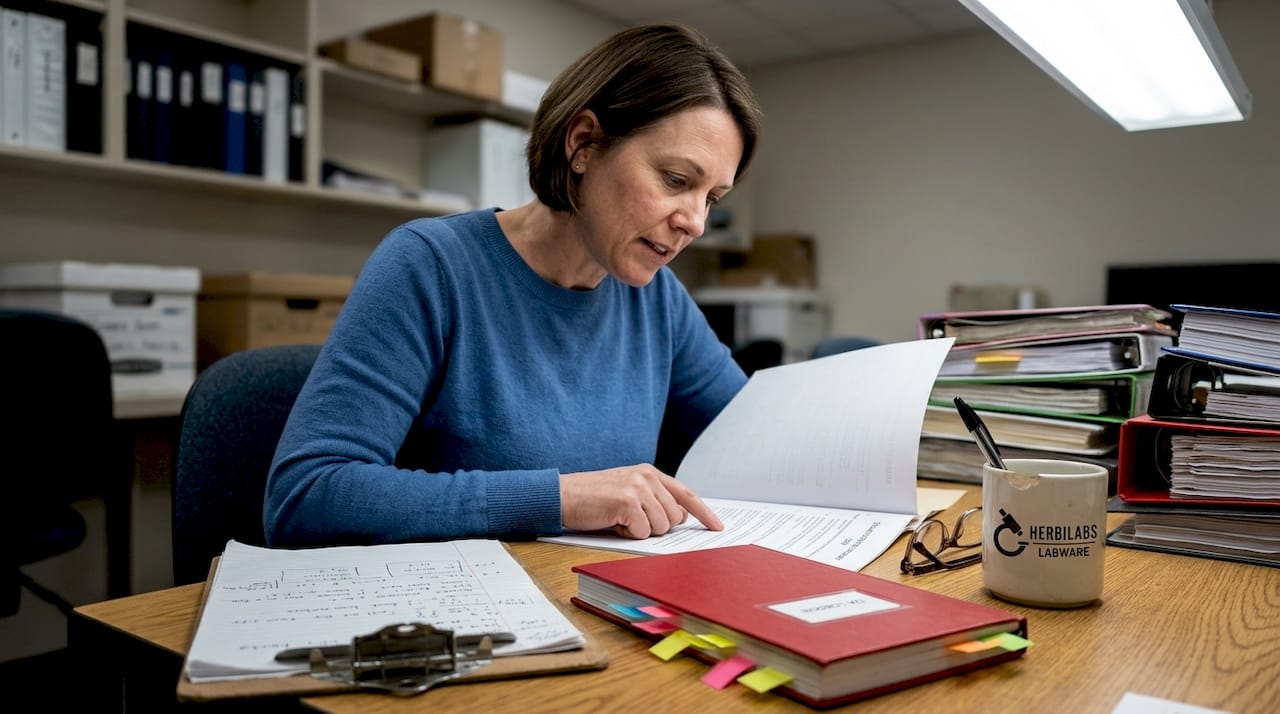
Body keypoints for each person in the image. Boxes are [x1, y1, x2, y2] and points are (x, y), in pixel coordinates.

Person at [263, 23, 763, 547]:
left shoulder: (656, 297)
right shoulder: (430, 266)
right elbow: (306, 495)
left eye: (712, 198)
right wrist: (562, 499)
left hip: (586, 597)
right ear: (584, 144)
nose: (695, 222)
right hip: (452, 612)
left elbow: (751, 434)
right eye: (676, 181)